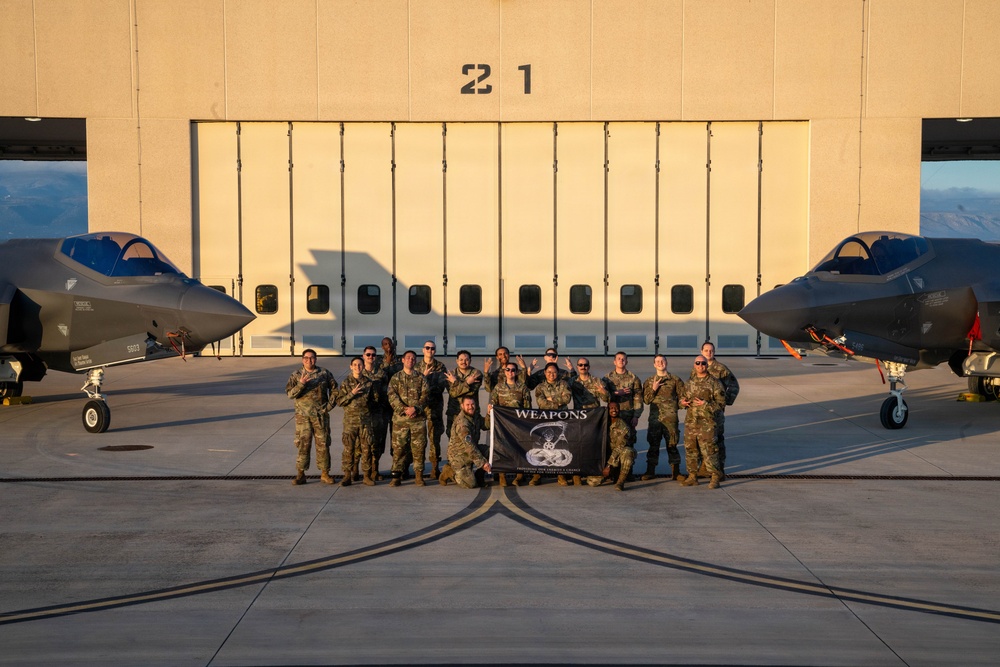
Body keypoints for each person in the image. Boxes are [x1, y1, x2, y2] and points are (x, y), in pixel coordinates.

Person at [285, 349, 338, 486]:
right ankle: (301, 474)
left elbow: (335, 390)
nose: (309, 360)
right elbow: (290, 394)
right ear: (302, 360)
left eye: (312, 358)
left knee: (323, 444)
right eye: (306, 358)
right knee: (303, 444)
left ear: (316, 359)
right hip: (303, 417)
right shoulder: (296, 375)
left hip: (320, 416)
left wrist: (329, 406)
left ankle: (325, 473)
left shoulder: (324, 373)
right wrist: (301, 384)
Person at [692, 340, 740, 479]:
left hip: (715, 412)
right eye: (706, 350)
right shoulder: (697, 366)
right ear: (701, 352)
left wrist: (725, 402)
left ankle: (719, 470)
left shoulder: (721, 369)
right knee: (701, 439)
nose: (709, 353)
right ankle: (704, 468)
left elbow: (734, 386)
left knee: (717, 440)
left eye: (711, 350)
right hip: (699, 412)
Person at [680, 355, 726, 489]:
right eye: (698, 363)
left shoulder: (715, 383)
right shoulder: (689, 383)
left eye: (703, 363)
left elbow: (721, 404)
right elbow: (681, 399)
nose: (700, 366)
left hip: (707, 424)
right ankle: (692, 476)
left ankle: (715, 477)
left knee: (710, 451)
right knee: (691, 450)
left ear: (707, 365)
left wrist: (706, 404)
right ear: (694, 365)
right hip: (691, 423)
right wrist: (682, 402)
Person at [388, 350, 430, 487]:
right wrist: (404, 409)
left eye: (413, 358)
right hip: (401, 420)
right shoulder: (396, 378)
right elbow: (392, 395)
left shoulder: (421, 378)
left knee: (419, 448)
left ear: (415, 361)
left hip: (418, 420)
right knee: (399, 449)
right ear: (403, 360)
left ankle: (419, 475)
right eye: (408, 358)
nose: (410, 360)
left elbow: (426, 396)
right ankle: (396, 476)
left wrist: (415, 409)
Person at [642, 354, 686, 481]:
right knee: (653, 446)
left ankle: (676, 472)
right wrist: (653, 389)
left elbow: (682, 398)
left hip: (670, 420)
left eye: (662, 361)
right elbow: (646, 400)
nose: (660, 363)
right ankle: (650, 471)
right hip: (655, 420)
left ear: (666, 362)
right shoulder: (650, 381)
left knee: (672, 446)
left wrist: (682, 404)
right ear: (654, 364)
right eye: (657, 361)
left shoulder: (675, 380)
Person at [488, 361, 532, 486]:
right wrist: (490, 410)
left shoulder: (523, 388)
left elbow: (527, 408)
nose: (510, 372)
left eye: (513, 370)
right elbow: (493, 404)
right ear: (504, 372)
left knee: (519, 449)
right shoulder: (498, 387)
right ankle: (502, 475)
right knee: (502, 449)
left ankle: (519, 476)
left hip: (518, 424)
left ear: (517, 372)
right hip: (502, 424)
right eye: (508, 370)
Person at [336, 356, 377, 486]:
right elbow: (340, 401)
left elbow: (374, 400)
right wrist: (352, 394)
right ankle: (347, 475)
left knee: (366, 448)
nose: (357, 367)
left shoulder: (369, 383)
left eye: (360, 365)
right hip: (350, 421)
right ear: (351, 367)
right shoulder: (346, 383)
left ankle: (366, 476)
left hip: (365, 421)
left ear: (363, 366)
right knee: (349, 448)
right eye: (355, 365)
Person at [566, 357, 608, 486]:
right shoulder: (572, 381)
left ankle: (592, 472)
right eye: (580, 365)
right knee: (577, 446)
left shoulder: (597, 381)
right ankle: (576, 474)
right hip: (578, 419)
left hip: (593, 419)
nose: (583, 367)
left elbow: (607, 398)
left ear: (588, 367)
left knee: (592, 446)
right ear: (577, 367)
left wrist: (603, 392)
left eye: (585, 365)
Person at [533, 362, 573, 486]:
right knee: (541, 447)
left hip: (560, 420)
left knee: (560, 446)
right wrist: (558, 401)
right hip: (544, 420)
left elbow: (567, 399)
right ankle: (537, 475)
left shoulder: (564, 384)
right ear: (545, 373)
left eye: (554, 372)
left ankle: (561, 475)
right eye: (549, 372)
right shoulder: (540, 387)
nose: (552, 374)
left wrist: (550, 400)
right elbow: (541, 403)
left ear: (558, 373)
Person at [439, 396, 492, 488]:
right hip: (459, 456)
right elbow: (469, 446)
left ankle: (479, 476)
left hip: (470, 451)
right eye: (467, 405)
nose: (470, 407)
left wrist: (489, 414)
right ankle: (449, 471)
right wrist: (482, 463)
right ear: (462, 406)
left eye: (472, 404)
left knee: (491, 452)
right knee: (470, 484)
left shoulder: (475, 416)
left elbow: (486, 425)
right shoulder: (462, 424)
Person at [415, 340, 448, 479]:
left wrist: (424, 382)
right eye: (427, 348)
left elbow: (440, 387)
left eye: (432, 348)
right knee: (419, 439)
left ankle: (435, 467)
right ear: (423, 350)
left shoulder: (440, 367)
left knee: (435, 438)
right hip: (420, 407)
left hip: (434, 407)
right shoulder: (416, 367)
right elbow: (414, 388)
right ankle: (419, 468)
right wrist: (424, 378)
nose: (430, 350)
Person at [374, 337, 403, 479]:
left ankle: (398, 468)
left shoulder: (401, 361)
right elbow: (378, 377)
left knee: (397, 439)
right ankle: (375, 469)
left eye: (390, 343)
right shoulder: (378, 361)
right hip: (382, 405)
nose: (388, 346)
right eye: (385, 344)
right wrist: (387, 362)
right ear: (382, 347)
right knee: (379, 437)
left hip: (396, 405)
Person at [604, 351, 643, 452]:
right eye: (619, 359)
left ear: (626, 361)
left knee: (628, 442)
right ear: (614, 362)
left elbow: (638, 398)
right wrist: (616, 393)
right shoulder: (607, 378)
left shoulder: (633, 378)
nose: (621, 361)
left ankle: (628, 462)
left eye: (623, 359)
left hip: (628, 415)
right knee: (611, 441)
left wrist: (636, 416)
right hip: (613, 416)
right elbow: (604, 397)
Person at [445, 350, 482, 435]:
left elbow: (470, 393)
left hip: (470, 411)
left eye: (466, 360)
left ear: (470, 361)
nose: (463, 362)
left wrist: (455, 382)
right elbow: (452, 394)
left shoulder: (476, 373)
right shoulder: (451, 374)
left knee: (472, 436)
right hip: (454, 412)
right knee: (452, 436)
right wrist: (468, 383)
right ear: (457, 361)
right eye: (461, 360)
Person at [604, 401, 636, 491]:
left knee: (628, 452)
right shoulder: (603, 423)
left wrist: (608, 465)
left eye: (616, 408)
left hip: (617, 456)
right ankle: (611, 474)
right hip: (606, 455)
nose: (614, 410)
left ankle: (620, 482)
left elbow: (619, 448)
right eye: (611, 408)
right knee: (593, 482)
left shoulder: (623, 427)